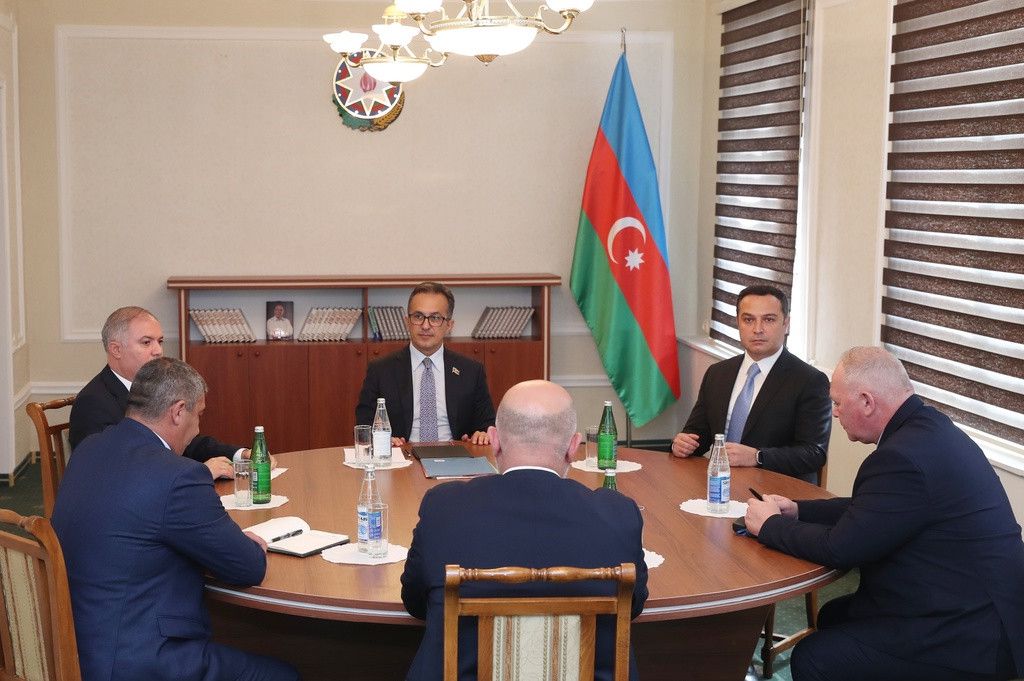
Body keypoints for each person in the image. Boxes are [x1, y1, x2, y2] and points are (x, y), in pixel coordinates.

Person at [745, 347, 1024, 681]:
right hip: (970, 603)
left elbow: (840, 548)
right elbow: (873, 509)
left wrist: (770, 526)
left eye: (837, 403)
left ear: (866, 401)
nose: (834, 413)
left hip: (964, 634)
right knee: (835, 614)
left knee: (814, 658)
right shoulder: (926, 429)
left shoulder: (902, 457)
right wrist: (799, 510)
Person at [52, 357, 300, 681]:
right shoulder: (179, 476)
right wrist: (250, 544)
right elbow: (247, 567)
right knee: (285, 674)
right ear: (178, 411)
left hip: (75, 643)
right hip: (140, 660)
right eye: (198, 415)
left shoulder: (90, 448)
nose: (198, 427)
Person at [400, 379, 649, 681]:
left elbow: (414, 603)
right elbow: (632, 608)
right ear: (574, 446)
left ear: (494, 440)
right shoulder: (618, 515)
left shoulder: (443, 508)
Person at [671, 284, 831, 482]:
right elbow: (698, 435)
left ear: (786, 324)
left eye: (769, 320)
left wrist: (757, 457)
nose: (758, 329)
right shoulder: (718, 373)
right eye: (748, 320)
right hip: (718, 485)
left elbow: (814, 453)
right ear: (738, 322)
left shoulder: (810, 381)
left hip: (779, 492)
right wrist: (682, 443)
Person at [69, 306, 244, 479]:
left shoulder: (155, 387)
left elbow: (187, 441)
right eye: (146, 342)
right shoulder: (92, 403)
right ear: (116, 350)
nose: (158, 351)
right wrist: (199, 473)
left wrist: (240, 455)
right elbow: (115, 469)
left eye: (160, 341)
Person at [356, 281, 495, 445]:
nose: (425, 325)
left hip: (455, 458)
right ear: (407, 321)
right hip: (402, 458)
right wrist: (383, 440)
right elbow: (364, 426)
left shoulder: (471, 371)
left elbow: (487, 425)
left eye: (435, 318)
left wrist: (482, 434)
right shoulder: (381, 370)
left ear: (449, 325)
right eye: (418, 317)